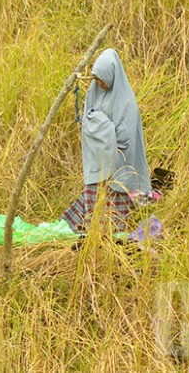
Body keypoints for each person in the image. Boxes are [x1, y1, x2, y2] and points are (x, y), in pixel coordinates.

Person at [61, 49, 152, 235]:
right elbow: (88, 121)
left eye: (103, 78)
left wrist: (103, 130)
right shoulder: (93, 93)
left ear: (112, 75)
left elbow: (126, 139)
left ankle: (113, 231)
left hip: (119, 160)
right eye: (96, 78)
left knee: (115, 194)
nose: (99, 83)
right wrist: (100, 128)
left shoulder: (126, 102)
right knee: (94, 196)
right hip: (96, 158)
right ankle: (91, 229)